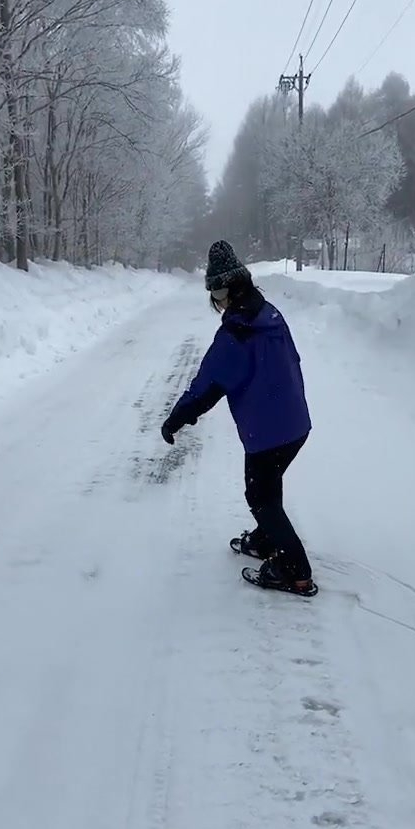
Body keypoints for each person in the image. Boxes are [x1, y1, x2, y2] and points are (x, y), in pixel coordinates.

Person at [161, 241, 317, 597]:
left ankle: (296, 572)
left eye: (216, 293)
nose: (216, 302)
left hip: (267, 432)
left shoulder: (237, 332)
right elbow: (293, 358)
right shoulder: (271, 314)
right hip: (296, 424)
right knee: (269, 485)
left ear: (228, 290)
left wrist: (175, 419)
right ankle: (266, 540)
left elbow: (207, 387)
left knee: (260, 496)